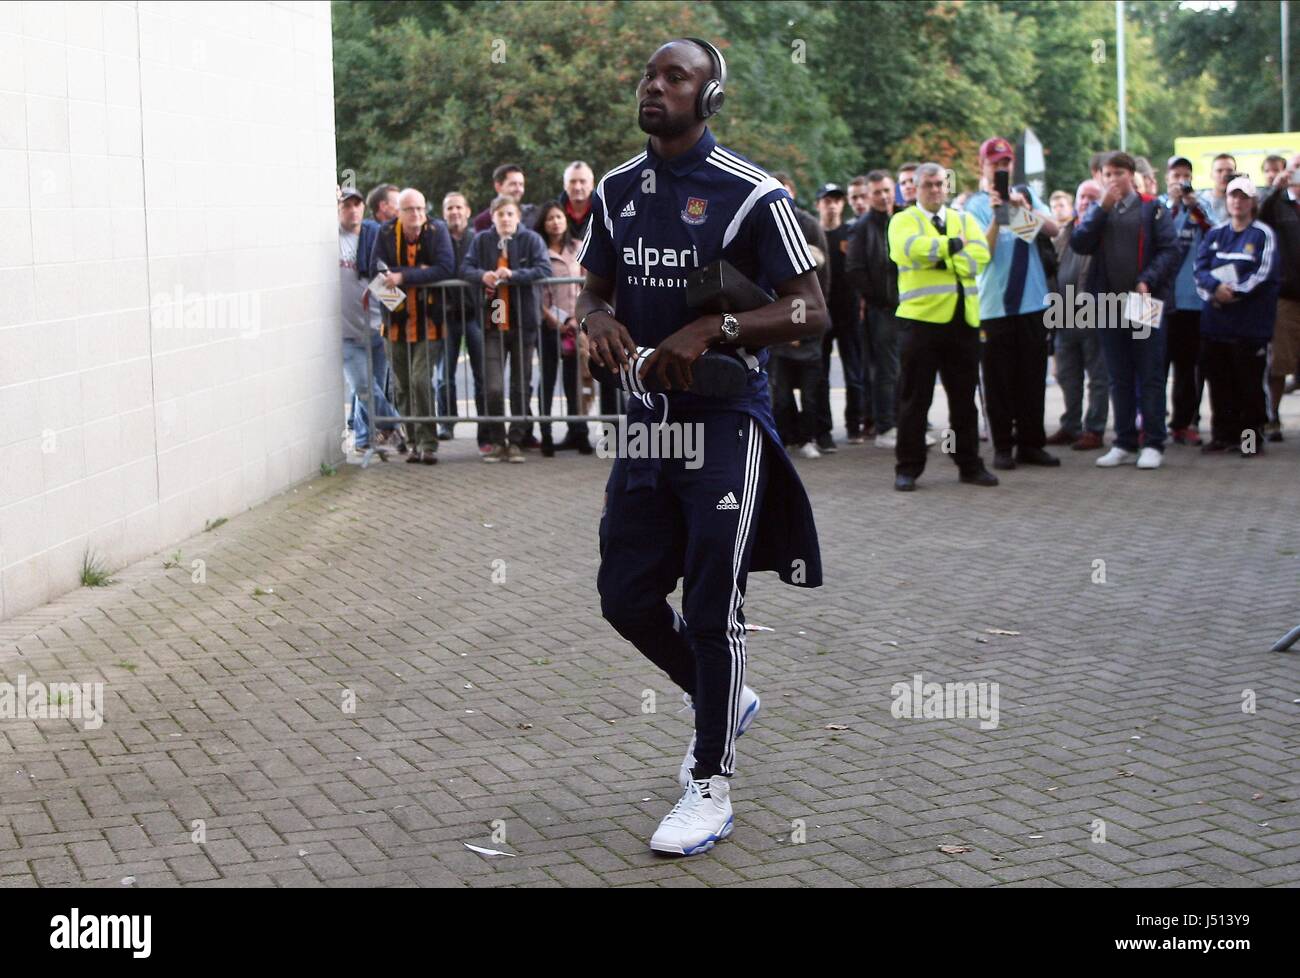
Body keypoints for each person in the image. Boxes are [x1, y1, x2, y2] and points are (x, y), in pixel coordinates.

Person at [575, 37, 825, 856]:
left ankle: (709, 785)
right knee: (624, 595)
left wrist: (714, 327)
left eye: (674, 77)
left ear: (708, 97)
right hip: (648, 421)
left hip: (724, 422)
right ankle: (721, 696)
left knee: (716, 603)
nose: (655, 87)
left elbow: (809, 311)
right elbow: (594, 290)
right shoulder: (616, 190)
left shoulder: (754, 194)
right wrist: (598, 320)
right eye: (649, 75)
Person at [888, 162, 997, 491]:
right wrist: (952, 247)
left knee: (964, 401)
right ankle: (908, 467)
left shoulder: (964, 219)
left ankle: (968, 464)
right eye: (929, 185)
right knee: (914, 400)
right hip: (921, 323)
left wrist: (940, 256)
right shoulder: (903, 220)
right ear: (916, 188)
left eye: (940, 184)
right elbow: (906, 251)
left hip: (963, 322)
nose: (935, 190)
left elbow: (980, 257)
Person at [1070, 151, 1181, 470]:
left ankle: (1154, 442)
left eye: (1119, 173)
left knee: (1149, 372)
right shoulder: (1099, 210)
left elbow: (1170, 250)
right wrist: (1101, 209)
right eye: (1107, 174)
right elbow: (1080, 243)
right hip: (1109, 302)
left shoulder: (1151, 207)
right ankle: (1123, 440)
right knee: (1118, 374)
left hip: (1142, 300)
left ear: (1131, 175)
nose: (1113, 179)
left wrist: (1148, 280)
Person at [963, 136, 1061, 470]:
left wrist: (1022, 208)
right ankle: (1003, 446)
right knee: (998, 381)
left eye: (1006, 163)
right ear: (983, 166)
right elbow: (983, 253)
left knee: (1033, 378)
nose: (1001, 168)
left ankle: (1032, 443)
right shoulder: (973, 206)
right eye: (995, 163)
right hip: (994, 306)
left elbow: (1053, 230)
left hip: (1032, 303)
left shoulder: (1027, 196)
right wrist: (996, 215)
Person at [1194, 176, 1279, 455]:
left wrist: (1235, 292)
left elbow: (1262, 274)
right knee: (1220, 384)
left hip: (1249, 327)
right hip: (1216, 325)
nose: (1237, 201)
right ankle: (1223, 436)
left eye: (1243, 197)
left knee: (1249, 388)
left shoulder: (1262, 234)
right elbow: (1200, 269)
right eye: (1233, 196)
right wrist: (1215, 290)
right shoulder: (1215, 233)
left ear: (1253, 201)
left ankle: (1249, 441)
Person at [371, 188, 456, 465]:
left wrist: (403, 275)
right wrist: (398, 274)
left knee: (421, 381)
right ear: (399, 212)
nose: (417, 214)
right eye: (410, 210)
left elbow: (445, 268)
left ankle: (428, 443)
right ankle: (413, 440)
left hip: (428, 321)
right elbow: (376, 267)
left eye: (421, 208)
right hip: (394, 321)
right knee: (402, 385)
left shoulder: (436, 230)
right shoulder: (385, 233)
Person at [462, 196, 551, 462]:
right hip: (493, 323)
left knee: (520, 386)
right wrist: (482, 275)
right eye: (500, 214)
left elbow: (543, 268)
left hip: (524, 323)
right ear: (492, 217)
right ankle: (497, 439)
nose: (505, 219)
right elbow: (465, 268)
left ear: (518, 216)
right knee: (493, 387)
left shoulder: (531, 239)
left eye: (510, 214)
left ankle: (516, 441)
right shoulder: (481, 240)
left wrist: (513, 275)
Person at [774, 173, 838, 452]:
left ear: (794, 193)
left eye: (785, 190)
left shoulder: (809, 225)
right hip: (776, 324)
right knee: (780, 392)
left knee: (813, 389)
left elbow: (822, 279)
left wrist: (806, 322)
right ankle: (787, 437)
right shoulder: (763, 223)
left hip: (807, 322)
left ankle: (812, 437)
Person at [1046, 180, 1109, 451]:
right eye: (1083, 196)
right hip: (1062, 311)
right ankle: (1070, 425)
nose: (1086, 202)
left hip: (1095, 312)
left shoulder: (1106, 231)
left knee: (1097, 375)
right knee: (1067, 374)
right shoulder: (1064, 231)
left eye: (1094, 198)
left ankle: (1094, 429)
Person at [338, 187, 398, 460]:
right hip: (347, 333)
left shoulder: (374, 237)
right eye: (346, 205)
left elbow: (388, 284)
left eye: (356, 205)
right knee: (364, 388)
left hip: (377, 328)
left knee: (373, 389)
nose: (352, 210)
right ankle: (398, 424)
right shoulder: (329, 239)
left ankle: (363, 439)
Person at [846, 169, 903, 448]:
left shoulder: (904, 219)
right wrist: (879, 299)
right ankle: (886, 426)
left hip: (911, 307)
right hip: (882, 310)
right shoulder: (862, 226)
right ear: (868, 196)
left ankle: (905, 422)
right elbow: (855, 270)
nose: (883, 196)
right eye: (877, 192)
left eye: (887, 190)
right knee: (885, 370)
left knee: (907, 367)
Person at [1161, 156, 1212, 446]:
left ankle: (1184, 422)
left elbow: (1214, 232)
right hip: (1157, 300)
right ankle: (1151, 423)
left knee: (1188, 368)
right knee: (1153, 365)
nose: (1180, 180)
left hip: (1192, 301)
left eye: (1185, 175)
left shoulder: (1198, 210)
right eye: (1175, 175)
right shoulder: (1157, 208)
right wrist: (1172, 204)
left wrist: (1192, 204)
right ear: (1167, 178)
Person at [534, 200, 591, 456]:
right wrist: (553, 321)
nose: (555, 222)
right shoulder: (538, 251)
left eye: (558, 217)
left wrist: (574, 319)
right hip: (548, 326)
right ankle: (545, 435)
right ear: (543, 224)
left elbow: (586, 287)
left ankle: (579, 433)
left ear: (565, 220)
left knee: (574, 383)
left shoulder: (578, 248)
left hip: (575, 325)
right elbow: (537, 292)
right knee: (547, 381)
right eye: (549, 218)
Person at [813, 182, 867, 444]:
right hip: (821, 314)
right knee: (820, 375)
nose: (832, 204)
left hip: (849, 314)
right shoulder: (812, 235)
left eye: (836, 200)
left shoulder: (851, 232)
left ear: (842, 204)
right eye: (826, 200)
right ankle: (823, 432)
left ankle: (854, 425)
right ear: (818, 205)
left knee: (853, 373)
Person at [434, 192, 487, 449]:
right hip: (447, 317)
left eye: (458, 207)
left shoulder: (476, 240)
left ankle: (484, 425)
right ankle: (446, 422)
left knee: (481, 373)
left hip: (475, 315)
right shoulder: (438, 240)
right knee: (445, 376)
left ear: (467, 211)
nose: (454, 212)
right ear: (444, 213)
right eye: (449, 208)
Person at [1258, 153, 1300, 440]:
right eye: (1296, 167)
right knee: (1279, 361)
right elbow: (1259, 222)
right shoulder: (1277, 203)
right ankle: (1272, 416)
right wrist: (1276, 189)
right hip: (1287, 294)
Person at [472, 164, 537, 232]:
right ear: (498, 186)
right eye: (513, 184)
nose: (518, 189)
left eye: (521, 184)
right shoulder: (483, 221)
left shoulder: (532, 216)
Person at [1198, 153, 1237, 227]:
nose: (1224, 175)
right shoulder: (1201, 201)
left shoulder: (1242, 202)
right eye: (1219, 171)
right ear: (1211, 174)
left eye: (1229, 171)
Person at [558, 160, 595, 239]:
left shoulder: (604, 211)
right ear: (565, 185)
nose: (577, 187)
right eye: (572, 182)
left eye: (582, 181)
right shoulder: (554, 213)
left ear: (592, 184)